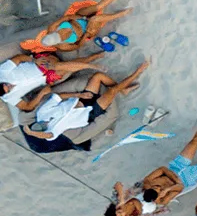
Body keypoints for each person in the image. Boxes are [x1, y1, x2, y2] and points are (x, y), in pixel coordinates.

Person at [18, 60, 146, 151]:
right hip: (89, 113)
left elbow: (58, 97)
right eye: (41, 128)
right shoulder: (53, 131)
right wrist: (33, 134)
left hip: (80, 100)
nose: (42, 125)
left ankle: (123, 90)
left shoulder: (42, 113)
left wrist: (78, 95)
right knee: (111, 91)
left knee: (98, 76)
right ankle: (137, 73)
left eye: (38, 125)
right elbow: (47, 135)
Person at [16, 0, 133, 56]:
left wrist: (79, 17)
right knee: (95, 20)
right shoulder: (62, 46)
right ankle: (122, 13)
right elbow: (77, 45)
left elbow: (66, 18)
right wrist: (86, 34)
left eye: (59, 33)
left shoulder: (52, 28)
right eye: (61, 37)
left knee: (98, 6)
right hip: (85, 31)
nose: (62, 34)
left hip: (78, 18)